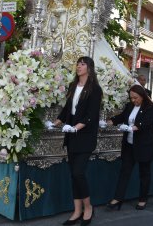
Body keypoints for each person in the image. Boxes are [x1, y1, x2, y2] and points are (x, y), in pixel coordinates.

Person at [50, 56, 102, 226]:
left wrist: (75, 127)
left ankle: (88, 208)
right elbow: (67, 110)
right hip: (72, 137)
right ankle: (77, 210)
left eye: (82, 64)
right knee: (73, 174)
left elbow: (91, 115)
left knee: (78, 172)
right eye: (78, 63)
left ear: (89, 68)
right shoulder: (74, 86)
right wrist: (54, 123)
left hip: (85, 137)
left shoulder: (95, 89)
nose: (79, 66)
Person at [106, 85, 153, 210]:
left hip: (144, 145)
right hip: (129, 144)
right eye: (131, 98)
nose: (134, 100)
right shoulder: (130, 106)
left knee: (144, 173)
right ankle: (118, 198)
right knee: (125, 171)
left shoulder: (151, 107)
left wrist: (132, 128)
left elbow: (146, 123)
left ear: (142, 96)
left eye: (136, 98)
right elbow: (122, 117)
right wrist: (110, 121)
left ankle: (143, 199)